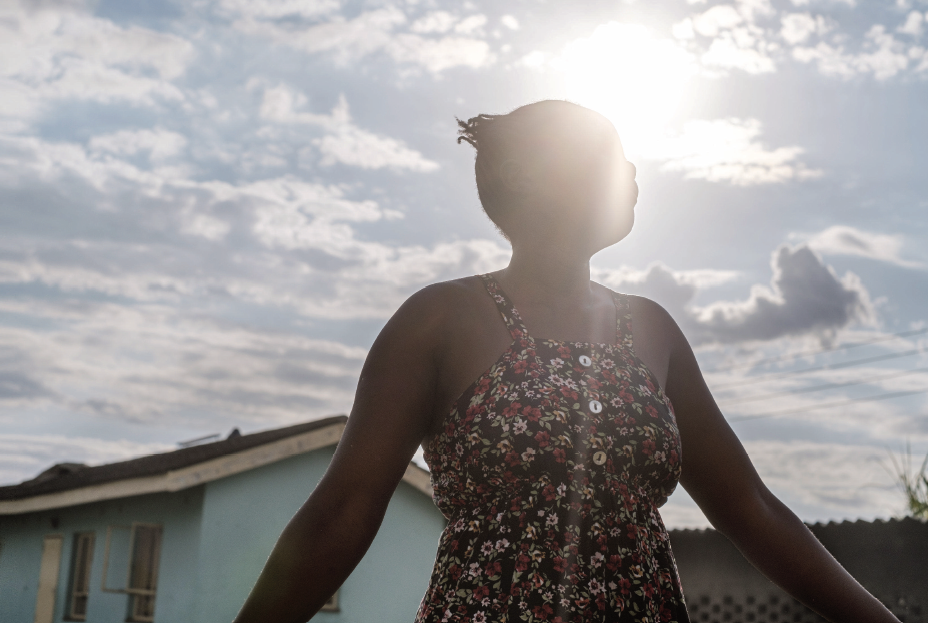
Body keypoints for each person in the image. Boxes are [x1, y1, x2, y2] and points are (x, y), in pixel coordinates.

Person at [232, 100, 899, 623]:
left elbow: (752, 508)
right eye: (610, 155)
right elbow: (343, 509)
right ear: (538, 178)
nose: (633, 171)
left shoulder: (652, 328)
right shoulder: (439, 319)